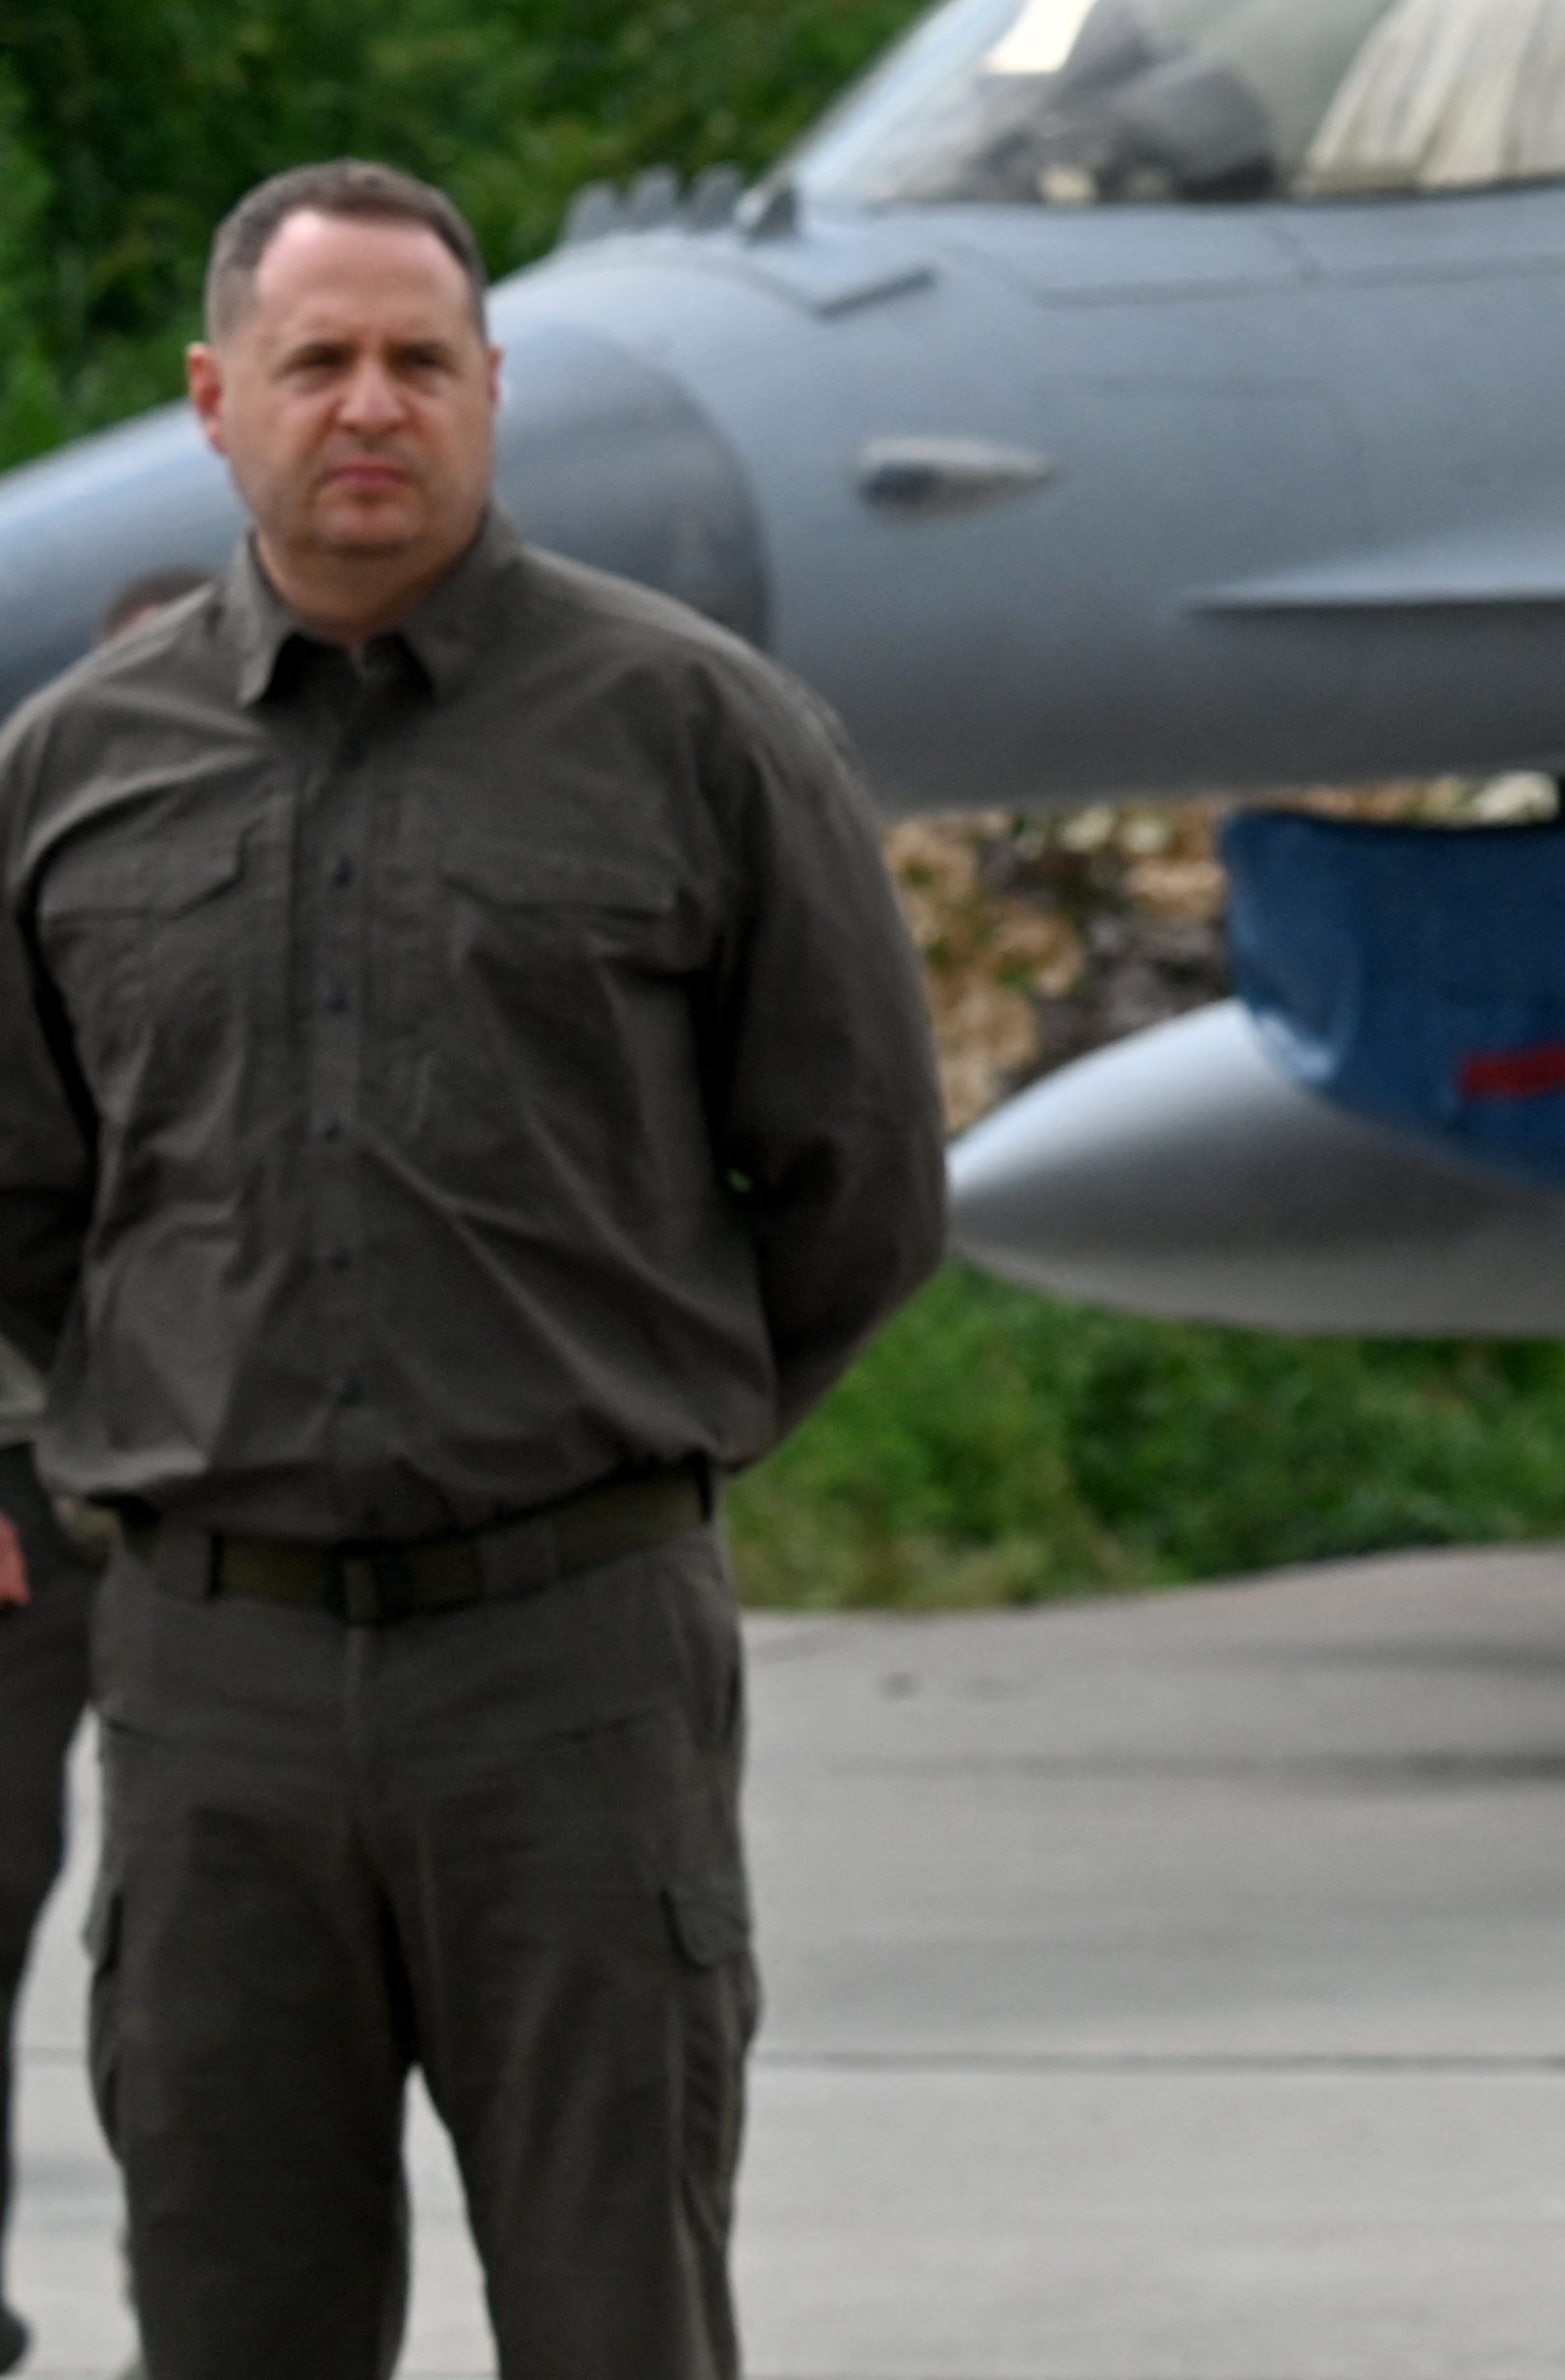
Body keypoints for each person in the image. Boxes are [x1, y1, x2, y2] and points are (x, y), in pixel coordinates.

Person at [0, 161, 947, 2380]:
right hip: (211, 1689)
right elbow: (17, 1197)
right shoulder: (67, 776)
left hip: (573, 1675)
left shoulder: (701, 738)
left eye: (420, 361)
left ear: (491, 393)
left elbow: (861, 1186)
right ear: (214, 400)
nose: (370, 405)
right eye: (316, 361)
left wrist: (606, 1433)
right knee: (233, 2319)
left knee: (617, 2314)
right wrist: (187, 1405)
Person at [0, 567, 218, 2371]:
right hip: (15, 1500)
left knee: (206, 1972)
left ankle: (210, 2328)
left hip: (215, 1513)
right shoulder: (36, 866)